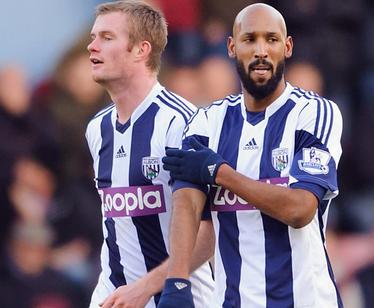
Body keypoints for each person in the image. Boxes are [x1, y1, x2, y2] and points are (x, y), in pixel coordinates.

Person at [160, 3, 343, 307]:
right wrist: (177, 280)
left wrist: (220, 174)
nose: (260, 50)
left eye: (271, 39)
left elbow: (300, 210)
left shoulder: (313, 113)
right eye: (249, 40)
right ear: (232, 47)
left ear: (287, 47)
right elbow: (188, 203)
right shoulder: (207, 122)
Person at [85, 1, 214, 307]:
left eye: (106, 37)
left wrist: (144, 288)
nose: (92, 47)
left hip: (180, 298)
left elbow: (210, 232)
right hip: (113, 294)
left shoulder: (183, 122)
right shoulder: (96, 128)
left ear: (141, 50)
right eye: (93, 37)